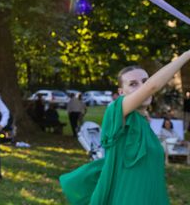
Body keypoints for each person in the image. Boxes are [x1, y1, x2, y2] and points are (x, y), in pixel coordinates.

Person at [60, 50, 190, 205]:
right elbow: (152, 86)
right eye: (133, 84)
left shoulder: (142, 122)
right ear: (121, 92)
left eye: (144, 81)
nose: (142, 87)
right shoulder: (115, 111)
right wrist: (186, 55)